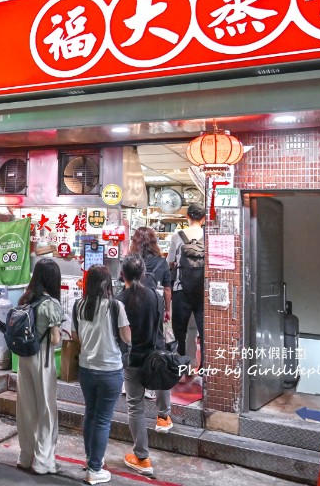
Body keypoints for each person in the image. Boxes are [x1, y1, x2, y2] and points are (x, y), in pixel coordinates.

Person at [73, 265, 131, 486]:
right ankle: (95, 468)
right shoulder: (116, 306)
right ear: (108, 284)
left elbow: (77, 337)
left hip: (86, 369)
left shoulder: (79, 305)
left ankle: (91, 460)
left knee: (91, 413)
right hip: (110, 370)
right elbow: (127, 338)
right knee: (103, 419)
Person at [121, 253, 171, 478]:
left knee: (135, 406)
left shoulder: (119, 300)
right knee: (157, 388)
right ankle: (164, 416)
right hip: (153, 357)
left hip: (132, 360)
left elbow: (120, 335)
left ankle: (142, 456)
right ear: (143, 273)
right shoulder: (155, 296)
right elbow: (159, 328)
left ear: (123, 275)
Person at [16, 258, 63, 475]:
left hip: (24, 359)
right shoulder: (50, 304)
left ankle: (26, 456)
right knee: (46, 409)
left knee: (26, 408)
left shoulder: (26, 299)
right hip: (42, 359)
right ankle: (43, 461)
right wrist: (60, 333)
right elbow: (54, 340)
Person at [130, 226, 172, 399]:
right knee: (155, 340)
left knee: (132, 340)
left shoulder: (130, 259)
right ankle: (151, 385)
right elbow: (168, 289)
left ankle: (132, 383)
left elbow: (123, 282)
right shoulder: (161, 262)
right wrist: (167, 309)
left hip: (132, 304)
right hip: (155, 304)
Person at [166, 203, 206, 371]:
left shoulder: (178, 235)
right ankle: (204, 367)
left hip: (180, 288)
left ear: (187, 217)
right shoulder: (208, 235)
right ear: (203, 219)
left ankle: (182, 365)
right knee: (204, 331)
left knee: (179, 330)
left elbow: (169, 261)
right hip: (202, 289)